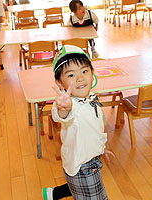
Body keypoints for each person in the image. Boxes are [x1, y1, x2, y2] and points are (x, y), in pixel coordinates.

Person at [42, 45, 114, 200]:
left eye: (84, 71)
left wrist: (101, 147)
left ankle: (54, 194)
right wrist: (63, 107)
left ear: (92, 73)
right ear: (60, 84)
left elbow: (95, 127)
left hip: (91, 159)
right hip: (82, 165)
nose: (80, 78)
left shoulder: (92, 97)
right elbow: (61, 115)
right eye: (71, 75)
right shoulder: (70, 105)